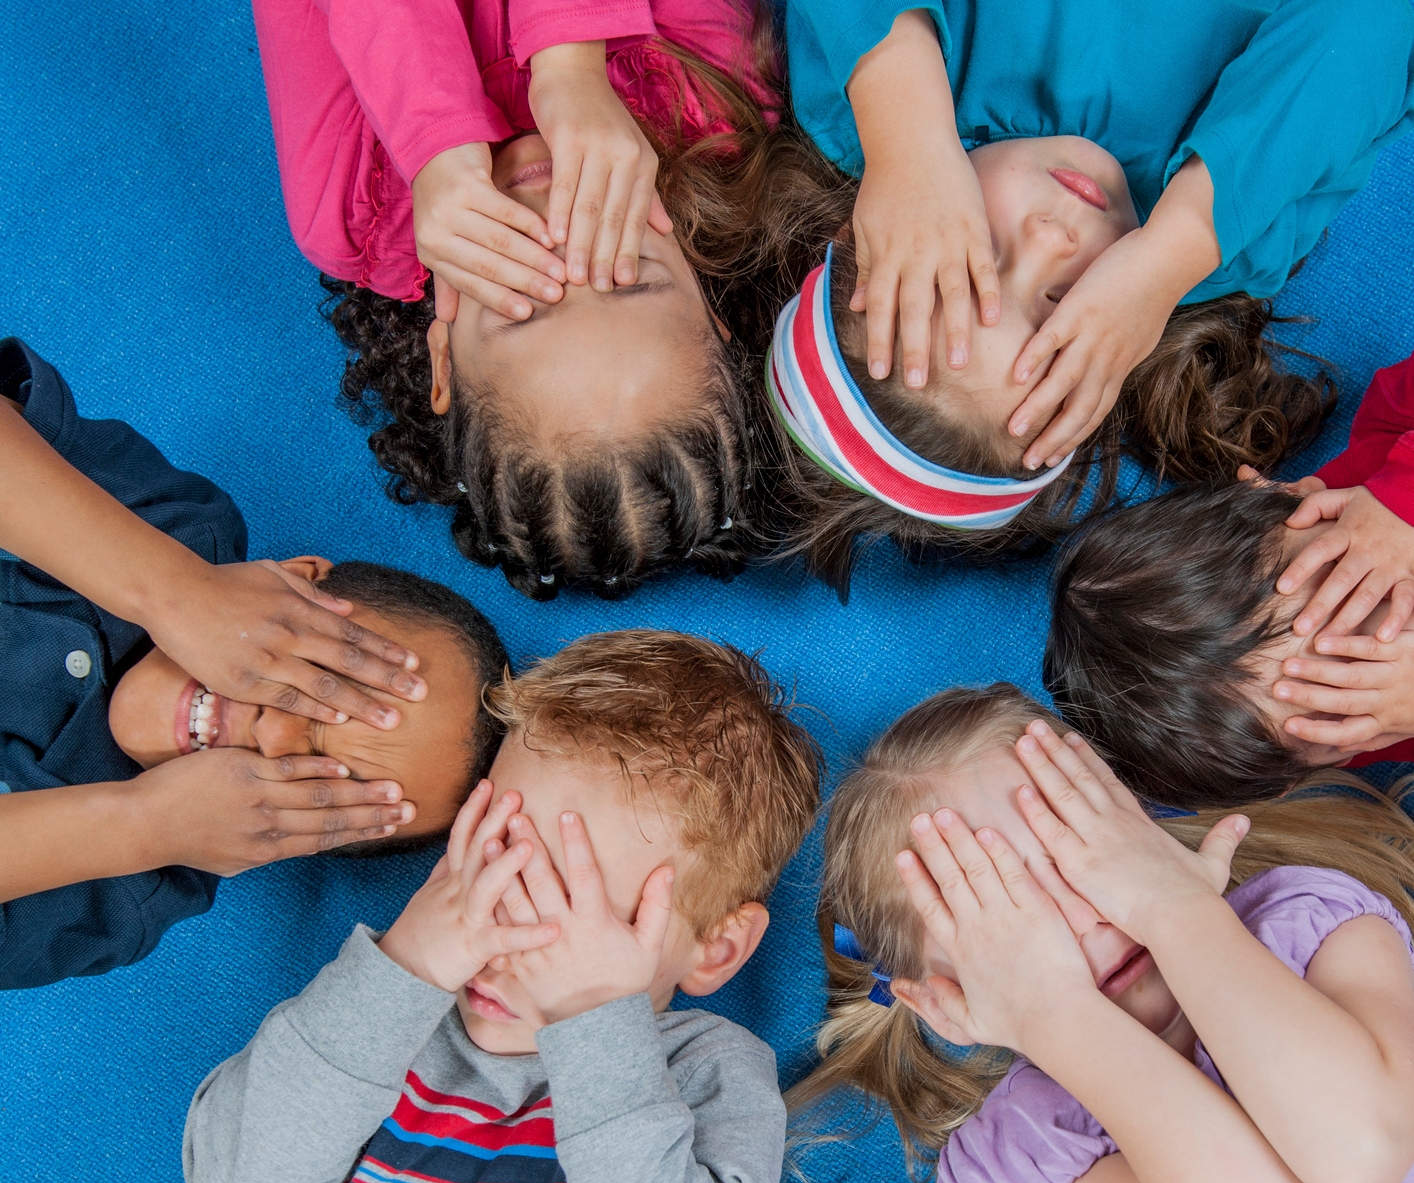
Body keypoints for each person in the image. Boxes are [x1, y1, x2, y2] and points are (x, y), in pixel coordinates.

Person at [154, 630, 824, 1183]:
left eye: (573, 916)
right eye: (495, 861)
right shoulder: (384, 1011)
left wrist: (593, 1024)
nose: (505, 936)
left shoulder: (707, 1070)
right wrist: (406, 963)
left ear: (716, 947)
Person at [789, 683, 1414, 1183]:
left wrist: (1176, 909)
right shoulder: (1014, 1163)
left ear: (1129, 819)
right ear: (946, 1003)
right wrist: (1054, 1012)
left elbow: (1360, 1155)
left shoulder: (1308, 924)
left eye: (1076, 851)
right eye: (1015, 916)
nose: (1085, 917)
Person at [767, 0, 1414, 597]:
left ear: (868, 231)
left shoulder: (883, 100)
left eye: (978, 250)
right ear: (1117, 353)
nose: (1052, 240)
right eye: (1061, 303)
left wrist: (907, 147)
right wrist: (1173, 250)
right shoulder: (1226, 237)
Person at [0, 337, 508, 988]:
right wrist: (172, 590)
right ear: (293, 582)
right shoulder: (183, 532)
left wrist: (140, 826)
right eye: (322, 683)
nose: (274, 732)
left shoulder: (127, 890)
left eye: (318, 774)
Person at [252, 0, 787, 599]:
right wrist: (569, 68)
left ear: (444, 360)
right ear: (715, 312)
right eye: (627, 274)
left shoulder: (351, 209)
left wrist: (433, 139)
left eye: (524, 300)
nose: (559, 232)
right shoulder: (710, 104)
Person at [1045, 349, 1414, 810]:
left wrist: (1402, 498)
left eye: (1353, 583)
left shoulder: (1381, 472)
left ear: (1285, 494)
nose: (1398, 634)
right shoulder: (1392, 724)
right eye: (1353, 689)